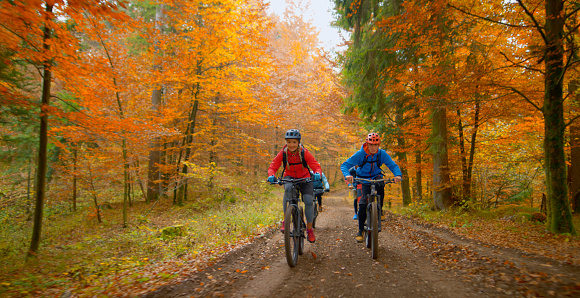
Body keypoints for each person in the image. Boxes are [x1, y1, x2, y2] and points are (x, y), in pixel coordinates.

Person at [340, 132, 402, 243]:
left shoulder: (382, 154)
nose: (373, 147)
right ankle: (360, 231)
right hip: (363, 179)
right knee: (362, 204)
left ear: (378, 145)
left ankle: (380, 209)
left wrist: (397, 175)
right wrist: (348, 175)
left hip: (376, 176)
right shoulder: (360, 154)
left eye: (376, 145)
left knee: (381, 184)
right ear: (367, 144)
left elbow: (392, 165)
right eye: (371, 145)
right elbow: (344, 165)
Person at [267, 129, 323, 243]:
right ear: (286, 142)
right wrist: (271, 175)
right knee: (287, 190)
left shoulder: (304, 152)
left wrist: (317, 173)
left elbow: (315, 166)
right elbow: (273, 166)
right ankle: (285, 220)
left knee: (308, 200)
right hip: (289, 177)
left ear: (298, 142)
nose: (291, 145)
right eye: (289, 142)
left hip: (305, 177)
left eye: (294, 142)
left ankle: (309, 229)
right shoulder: (283, 153)